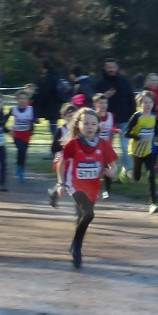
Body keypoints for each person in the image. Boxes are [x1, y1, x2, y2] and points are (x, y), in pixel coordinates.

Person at [55, 107, 119, 269]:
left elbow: (113, 167)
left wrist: (110, 172)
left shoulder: (103, 144)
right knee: (88, 213)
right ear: (78, 125)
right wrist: (61, 183)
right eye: (86, 123)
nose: (89, 126)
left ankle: (75, 244)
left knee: (85, 218)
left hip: (92, 187)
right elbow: (61, 164)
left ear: (99, 126)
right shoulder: (72, 144)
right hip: (75, 185)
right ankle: (77, 248)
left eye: (93, 123)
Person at [126, 90, 158, 214]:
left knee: (151, 175)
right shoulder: (136, 117)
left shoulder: (153, 117)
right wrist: (138, 137)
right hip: (136, 151)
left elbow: (156, 132)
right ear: (140, 104)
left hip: (149, 151)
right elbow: (126, 133)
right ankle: (128, 173)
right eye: (145, 102)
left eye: (150, 102)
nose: (148, 105)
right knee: (136, 177)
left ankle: (153, 204)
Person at [96, 58, 135, 173]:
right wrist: (104, 96)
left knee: (125, 146)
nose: (111, 69)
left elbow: (131, 100)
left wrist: (131, 116)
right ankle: (104, 170)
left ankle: (127, 170)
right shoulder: (100, 83)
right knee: (105, 147)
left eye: (113, 67)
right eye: (108, 67)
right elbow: (94, 100)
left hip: (123, 120)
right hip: (105, 121)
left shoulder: (124, 82)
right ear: (105, 68)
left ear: (117, 68)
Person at [10, 89, 36, 184]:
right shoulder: (13, 109)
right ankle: (20, 170)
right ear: (17, 99)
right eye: (20, 98)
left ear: (27, 100)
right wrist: (7, 129)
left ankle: (20, 169)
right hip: (16, 133)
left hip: (26, 134)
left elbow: (35, 118)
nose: (22, 100)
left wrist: (36, 120)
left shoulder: (31, 109)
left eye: (24, 98)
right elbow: (4, 118)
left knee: (23, 153)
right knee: (20, 150)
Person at [33, 58, 63, 136]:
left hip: (50, 105)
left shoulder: (46, 77)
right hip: (58, 104)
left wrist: (39, 103)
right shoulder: (57, 76)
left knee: (53, 126)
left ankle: (57, 141)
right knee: (54, 123)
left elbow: (44, 92)